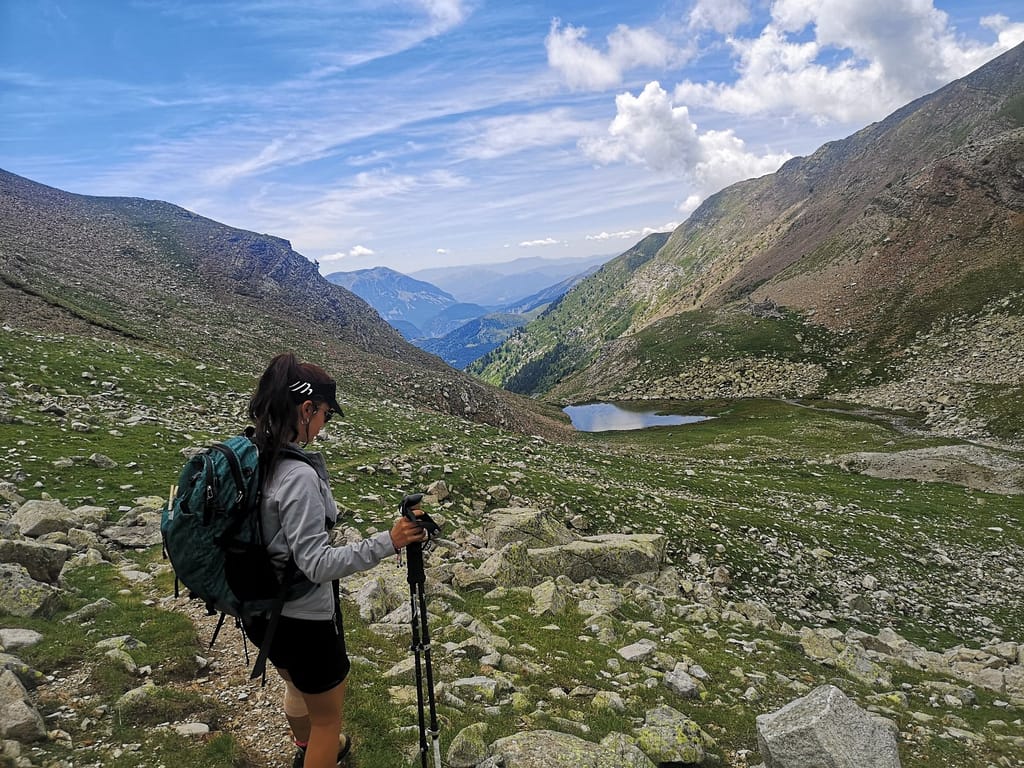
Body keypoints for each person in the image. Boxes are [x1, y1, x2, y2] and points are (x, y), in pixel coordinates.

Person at [243, 352, 427, 768]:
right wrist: (390, 541)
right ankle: (318, 750)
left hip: (259, 611)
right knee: (328, 719)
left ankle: (304, 751)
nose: (325, 423)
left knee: (295, 686)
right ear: (307, 409)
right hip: (301, 619)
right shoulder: (299, 476)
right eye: (325, 413)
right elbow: (317, 564)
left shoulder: (253, 455)